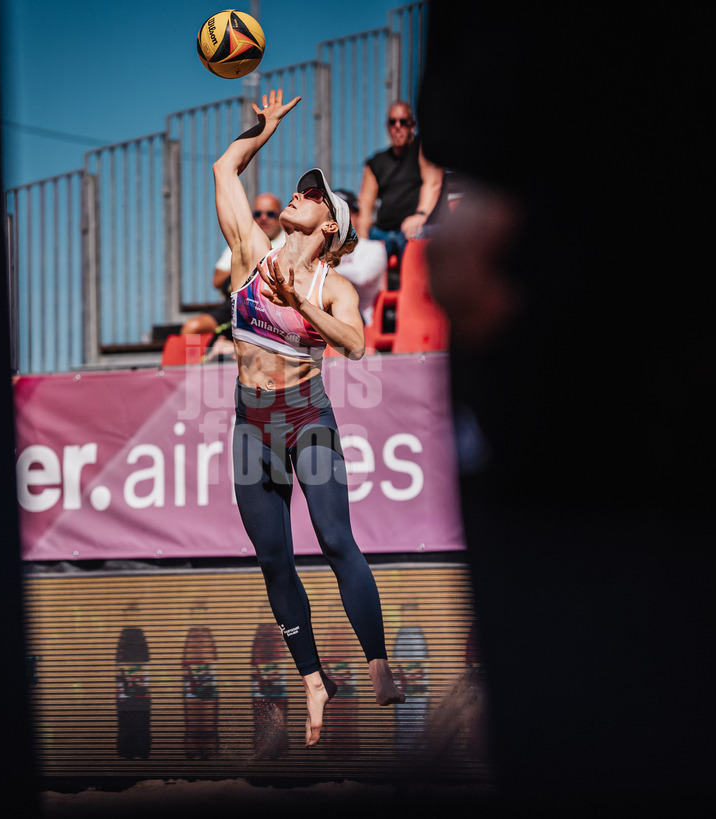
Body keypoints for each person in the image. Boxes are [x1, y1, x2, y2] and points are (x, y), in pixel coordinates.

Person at [417, 3, 716, 812]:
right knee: (694, 650)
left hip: (574, 218)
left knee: (579, 679)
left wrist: (496, 167)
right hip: (703, 190)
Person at [212, 87, 405, 748]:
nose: (298, 194)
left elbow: (354, 344)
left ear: (331, 227)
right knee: (273, 559)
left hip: (305, 416)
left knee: (334, 537)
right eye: (301, 189)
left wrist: (305, 304)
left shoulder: (335, 286)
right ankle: (314, 677)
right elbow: (222, 170)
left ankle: (378, 660)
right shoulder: (248, 253)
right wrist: (261, 130)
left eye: (313, 194)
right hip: (250, 424)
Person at [182, 192, 286, 359]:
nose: (263, 218)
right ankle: (192, 378)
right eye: (258, 214)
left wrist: (244, 265)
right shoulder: (243, 241)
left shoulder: (289, 242)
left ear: (280, 215)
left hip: (271, 308)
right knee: (191, 328)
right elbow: (217, 279)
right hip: (236, 303)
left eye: (270, 214)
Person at [356, 100, 444, 261]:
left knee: (417, 234)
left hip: (419, 227)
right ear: (388, 126)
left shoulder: (424, 148)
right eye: (392, 122)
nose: (397, 126)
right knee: (359, 254)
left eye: (403, 122)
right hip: (383, 232)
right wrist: (362, 243)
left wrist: (420, 216)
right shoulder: (376, 162)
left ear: (413, 126)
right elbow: (365, 207)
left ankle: (416, 286)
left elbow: (433, 184)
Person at [331, 189, 388, 324]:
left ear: (357, 215)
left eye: (344, 213)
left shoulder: (373, 248)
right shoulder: (319, 249)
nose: (338, 219)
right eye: (333, 213)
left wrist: (323, 268)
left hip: (358, 319)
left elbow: (362, 276)